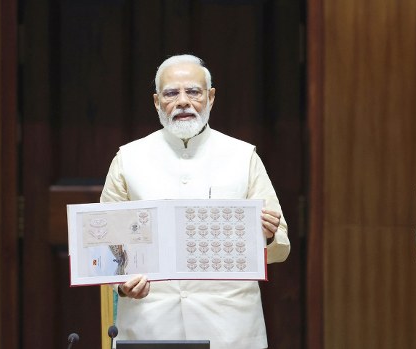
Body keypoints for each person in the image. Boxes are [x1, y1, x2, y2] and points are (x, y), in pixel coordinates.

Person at [100, 54, 290, 349]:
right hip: (151, 319)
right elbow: (104, 240)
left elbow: (279, 242)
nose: (183, 102)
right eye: (171, 93)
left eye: (193, 92)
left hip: (229, 323)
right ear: (156, 102)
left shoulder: (242, 156)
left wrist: (266, 234)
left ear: (211, 97)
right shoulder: (128, 159)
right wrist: (122, 283)